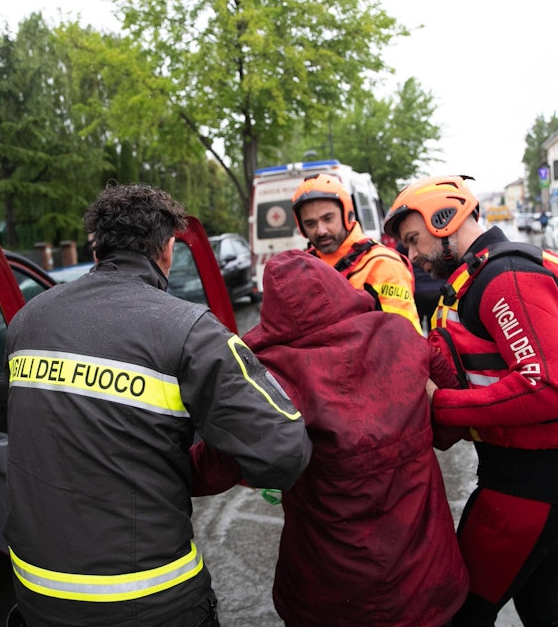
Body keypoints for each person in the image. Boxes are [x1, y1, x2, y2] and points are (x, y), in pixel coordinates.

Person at [4, 183, 312, 627]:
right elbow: (284, 452)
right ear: (168, 249)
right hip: (147, 598)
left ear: (96, 249)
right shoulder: (189, 329)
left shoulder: (27, 320)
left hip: (36, 590)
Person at [190, 249, 468, 627]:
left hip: (332, 595)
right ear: (339, 288)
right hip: (425, 579)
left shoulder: (272, 376)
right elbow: (451, 425)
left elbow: (217, 467)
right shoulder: (403, 336)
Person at [383, 175, 558, 627]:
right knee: (542, 610)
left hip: (534, 481)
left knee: (459, 614)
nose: (410, 256)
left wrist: (439, 404)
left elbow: (548, 389)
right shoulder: (485, 275)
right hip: (547, 474)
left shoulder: (505, 280)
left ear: (443, 220)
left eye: (413, 239)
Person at [291, 173, 422, 334]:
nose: (321, 231)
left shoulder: (382, 265)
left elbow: (406, 341)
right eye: (310, 224)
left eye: (328, 219)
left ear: (346, 214)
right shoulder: (302, 268)